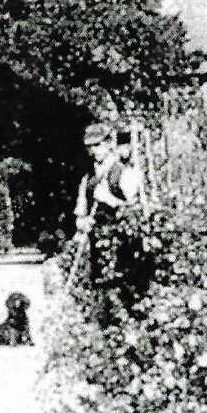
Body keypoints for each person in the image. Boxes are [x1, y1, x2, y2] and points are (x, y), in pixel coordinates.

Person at [73, 123, 146, 327]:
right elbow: (80, 214)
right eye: (89, 147)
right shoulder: (88, 179)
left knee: (122, 295)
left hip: (123, 247)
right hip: (98, 247)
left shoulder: (125, 173)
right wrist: (83, 222)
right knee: (100, 294)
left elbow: (137, 212)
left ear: (109, 144)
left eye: (97, 145)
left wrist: (110, 199)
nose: (93, 151)